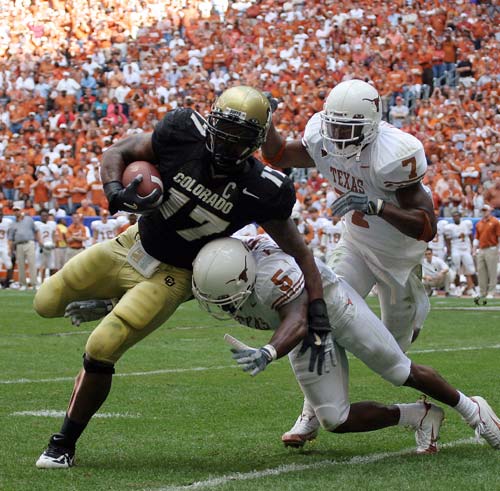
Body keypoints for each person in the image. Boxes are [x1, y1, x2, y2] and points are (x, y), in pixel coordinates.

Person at [33, 86, 329, 469]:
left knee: (102, 347)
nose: (227, 141)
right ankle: (108, 300)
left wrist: (317, 305)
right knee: (45, 303)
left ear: (256, 140)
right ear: (210, 120)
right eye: (223, 128)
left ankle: (63, 443)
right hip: (132, 244)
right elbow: (118, 152)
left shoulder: (263, 188)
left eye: (240, 135)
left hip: (173, 277)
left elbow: (300, 251)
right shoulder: (182, 131)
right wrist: (114, 191)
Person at [191, 236, 500, 453]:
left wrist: (269, 351)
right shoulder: (223, 264)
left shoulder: (272, 274)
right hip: (304, 333)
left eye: (226, 299)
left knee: (398, 370)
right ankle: (419, 415)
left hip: (332, 307)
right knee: (334, 419)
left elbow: (297, 318)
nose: (225, 307)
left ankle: (473, 410)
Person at [262, 79, 436, 442]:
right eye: (335, 126)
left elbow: (427, 228)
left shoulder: (394, 154)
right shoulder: (324, 138)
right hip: (355, 244)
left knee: (389, 349)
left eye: (349, 129)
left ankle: (417, 306)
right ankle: (311, 411)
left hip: (398, 259)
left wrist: (375, 204)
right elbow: (278, 155)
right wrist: (266, 122)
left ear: (371, 125)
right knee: (321, 315)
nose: (339, 136)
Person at [444, 211, 478, 297]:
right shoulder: (449, 227)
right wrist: (449, 251)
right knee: (456, 270)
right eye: (454, 216)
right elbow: (447, 240)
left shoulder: (466, 224)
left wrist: (472, 247)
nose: (456, 218)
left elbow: (471, 237)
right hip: (456, 249)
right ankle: (457, 288)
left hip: (466, 249)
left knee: (472, 270)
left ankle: (476, 288)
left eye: (457, 216)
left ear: (460, 216)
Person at [8, 204, 39, 290]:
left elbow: (36, 230)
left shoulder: (28, 220)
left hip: (29, 243)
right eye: (14, 210)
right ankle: (23, 284)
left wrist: (39, 242)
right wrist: (10, 250)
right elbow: (10, 238)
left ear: (21, 211)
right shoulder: (13, 224)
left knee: (32, 263)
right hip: (18, 245)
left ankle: (34, 284)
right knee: (21, 265)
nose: (16, 212)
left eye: (17, 210)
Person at [474, 204, 500, 304]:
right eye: (483, 210)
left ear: (490, 211)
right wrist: (474, 249)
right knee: (481, 271)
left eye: (486, 210)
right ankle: (482, 291)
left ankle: (491, 292)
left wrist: (499, 249)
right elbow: (477, 237)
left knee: (492, 271)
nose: (484, 212)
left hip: (491, 248)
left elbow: (499, 237)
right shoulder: (479, 223)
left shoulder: (495, 222)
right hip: (481, 249)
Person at [35, 209, 57, 283]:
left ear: (48, 216)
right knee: (38, 265)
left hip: (49, 246)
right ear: (40, 216)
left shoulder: (52, 224)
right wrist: (40, 243)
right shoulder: (37, 224)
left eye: (46, 216)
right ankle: (36, 282)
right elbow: (36, 234)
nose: (44, 217)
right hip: (41, 247)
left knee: (51, 265)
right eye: (43, 216)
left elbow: (53, 234)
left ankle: (50, 282)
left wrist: (54, 243)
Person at [0, 208, 13, 287]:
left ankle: (8, 282)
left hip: (5, 246)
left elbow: (10, 235)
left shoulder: (8, 222)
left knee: (9, 265)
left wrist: (10, 248)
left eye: (1, 215)